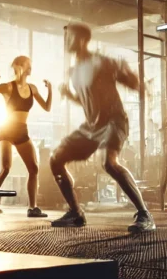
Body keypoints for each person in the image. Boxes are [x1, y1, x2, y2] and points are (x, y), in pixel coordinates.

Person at [50, 23, 155, 232]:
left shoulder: (102, 62)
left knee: (108, 163)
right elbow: (86, 102)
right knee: (56, 159)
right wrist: (70, 95)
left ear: (82, 40)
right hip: (92, 126)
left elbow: (132, 83)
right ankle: (76, 213)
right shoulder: (73, 71)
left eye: (69, 37)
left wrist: (136, 81)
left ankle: (145, 214)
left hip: (114, 120)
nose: (66, 42)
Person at [0, 56, 52, 217]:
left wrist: (50, 90)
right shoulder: (8, 87)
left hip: (22, 131)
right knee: (5, 168)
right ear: (19, 66)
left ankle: (33, 208)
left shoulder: (33, 88)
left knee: (34, 169)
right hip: (6, 129)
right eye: (28, 65)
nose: (31, 67)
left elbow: (46, 107)